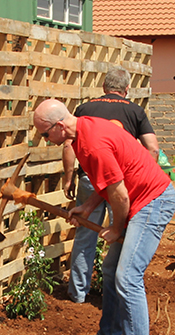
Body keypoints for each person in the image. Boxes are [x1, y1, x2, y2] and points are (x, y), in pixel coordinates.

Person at [33, 99, 175, 335]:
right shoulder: (83, 132)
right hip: (136, 201)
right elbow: (110, 181)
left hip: (151, 202)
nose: (45, 140)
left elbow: (120, 195)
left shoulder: (92, 143)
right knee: (111, 270)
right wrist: (86, 208)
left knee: (127, 275)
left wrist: (116, 227)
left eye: (45, 134)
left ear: (60, 126)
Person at [62, 67, 159, 304]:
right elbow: (153, 148)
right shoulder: (135, 111)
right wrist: (142, 176)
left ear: (104, 88)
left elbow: (68, 145)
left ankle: (78, 294)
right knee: (120, 232)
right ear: (126, 90)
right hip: (123, 183)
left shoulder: (84, 109)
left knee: (85, 233)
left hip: (91, 178)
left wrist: (68, 177)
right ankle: (116, 294)